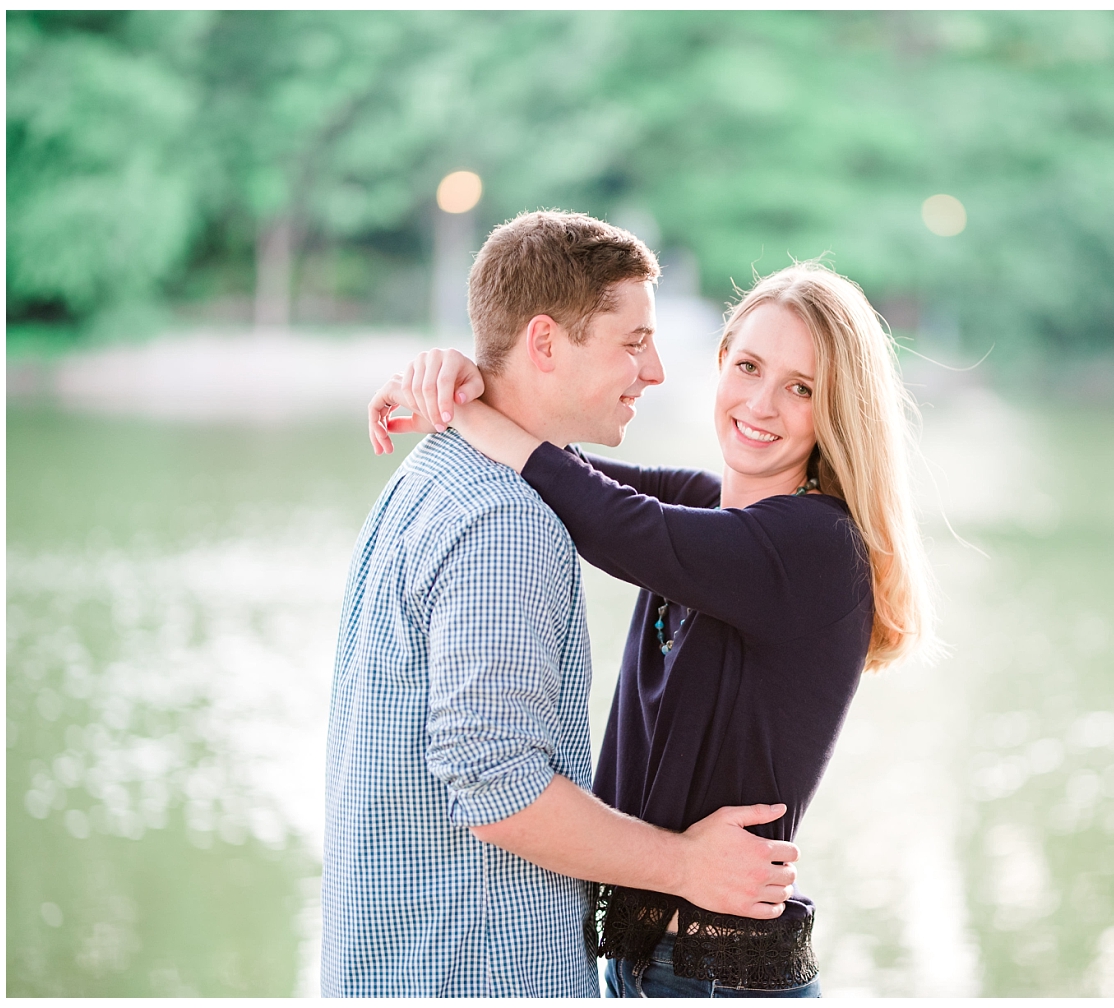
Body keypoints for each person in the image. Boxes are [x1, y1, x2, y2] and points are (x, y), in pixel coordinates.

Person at [370, 259, 936, 997]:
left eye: (801, 389)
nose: (761, 403)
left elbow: (613, 523)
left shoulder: (816, 546)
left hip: (721, 978)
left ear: (837, 412)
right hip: (648, 968)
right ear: (721, 364)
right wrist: (462, 377)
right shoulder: (709, 511)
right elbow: (569, 474)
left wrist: (467, 410)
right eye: (749, 367)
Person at [323, 211, 801, 998]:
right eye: (633, 342)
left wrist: (460, 390)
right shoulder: (505, 522)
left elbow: (618, 510)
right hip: (479, 972)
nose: (654, 372)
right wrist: (686, 864)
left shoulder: (433, 473)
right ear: (545, 343)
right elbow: (497, 788)